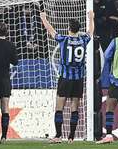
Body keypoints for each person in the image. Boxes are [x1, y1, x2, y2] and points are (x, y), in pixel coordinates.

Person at [40, 9, 94, 142]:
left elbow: (50, 30)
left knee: (60, 107)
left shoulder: (64, 40)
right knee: (75, 107)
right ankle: (71, 137)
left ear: (69, 28)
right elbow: (91, 31)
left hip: (65, 78)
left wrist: (44, 18)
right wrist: (91, 18)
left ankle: (58, 136)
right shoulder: (84, 39)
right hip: (79, 79)